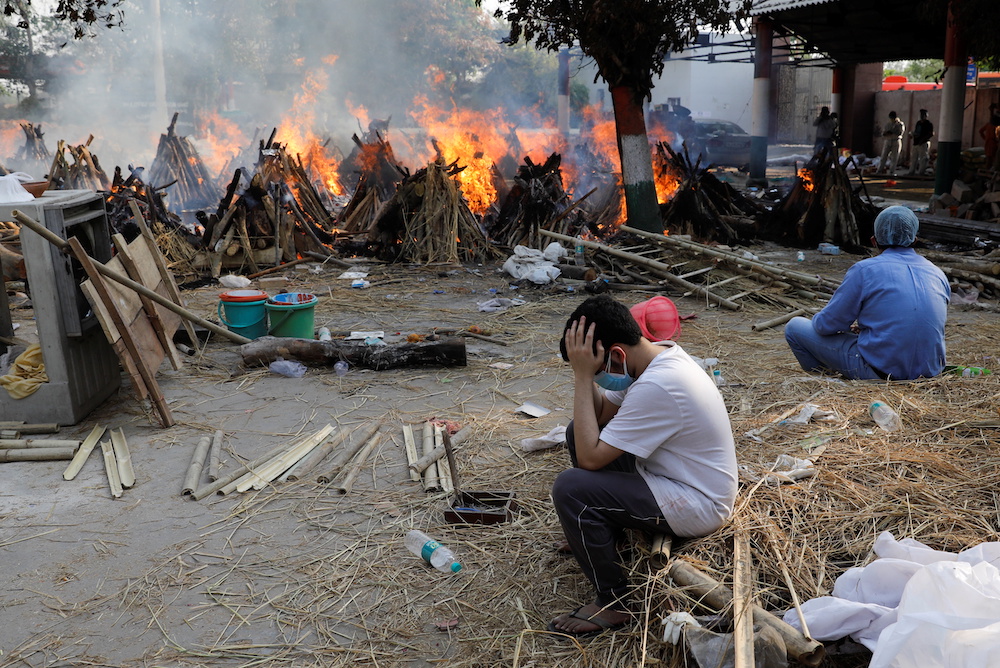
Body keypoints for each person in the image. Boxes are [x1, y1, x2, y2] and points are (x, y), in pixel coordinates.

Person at [547, 294, 737, 637]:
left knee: (570, 489)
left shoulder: (659, 384)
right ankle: (605, 533)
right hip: (672, 479)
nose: (597, 376)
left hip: (698, 502)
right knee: (580, 430)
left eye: (599, 368)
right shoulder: (654, 358)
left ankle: (614, 602)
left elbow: (591, 457)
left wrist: (581, 376)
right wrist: (588, 372)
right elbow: (602, 415)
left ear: (616, 354)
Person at [784, 206, 950, 380]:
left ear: (873, 241)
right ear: (915, 240)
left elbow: (826, 325)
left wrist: (838, 324)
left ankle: (826, 384)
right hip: (929, 374)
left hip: (881, 373)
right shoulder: (937, 273)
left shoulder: (865, 270)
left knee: (794, 327)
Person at [908, 109, 934, 176]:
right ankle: (911, 172)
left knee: (923, 159)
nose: (922, 116)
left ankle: (921, 172)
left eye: (923, 115)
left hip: (923, 143)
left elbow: (931, 134)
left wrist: (923, 140)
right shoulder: (918, 123)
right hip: (916, 142)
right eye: (921, 115)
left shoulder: (928, 124)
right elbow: (917, 132)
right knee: (914, 158)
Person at [878, 111, 905, 176]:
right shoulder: (888, 124)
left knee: (894, 157)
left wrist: (892, 133)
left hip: (896, 140)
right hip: (888, 140)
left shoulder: (900, 124)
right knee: (884, 156)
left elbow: (900, 133)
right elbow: (883, 133)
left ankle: (891, 171)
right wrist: (886, 133)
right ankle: (879, 170)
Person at [980, 104, 999, 171]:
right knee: (991, 160)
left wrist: (985, 139)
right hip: (992, 144)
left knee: (990, 159)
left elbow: (980, 131)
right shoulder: (995, 126)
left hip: (989, 143)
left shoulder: (989, 124)